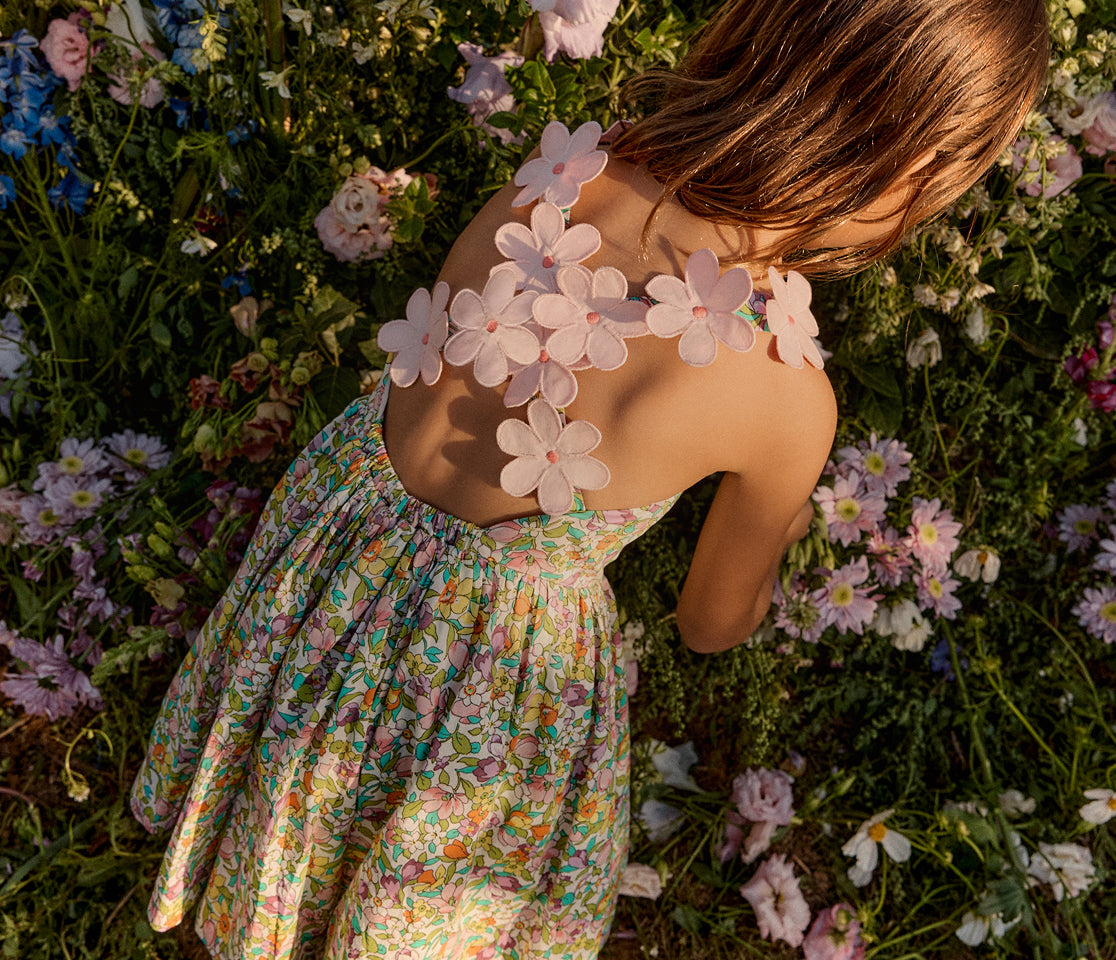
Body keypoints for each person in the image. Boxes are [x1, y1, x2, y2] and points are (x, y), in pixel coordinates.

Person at [130, 1, 1049, 957]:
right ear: (919, 166)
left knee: (310, 769)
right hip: (488, 666)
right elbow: (709, 621)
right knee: (422, 875)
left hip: (345, 541)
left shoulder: (577, 168)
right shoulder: (784, 396)